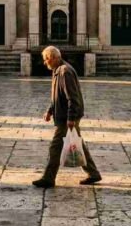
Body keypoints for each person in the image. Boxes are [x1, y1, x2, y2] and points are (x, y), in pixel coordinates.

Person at [32, 46, 102, 189]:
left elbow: (72, 98)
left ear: (52, 58)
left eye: (46, 60)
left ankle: (48, 178)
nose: (45, 63)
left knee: (55, 147)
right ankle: (93, 173)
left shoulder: (65, 72)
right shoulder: (57, 71)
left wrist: (71, 118)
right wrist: (50, 110)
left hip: (67, 117)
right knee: (78, 143)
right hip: (66, 115)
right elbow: (58, 97)